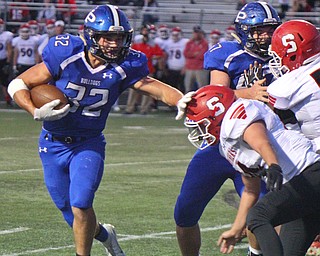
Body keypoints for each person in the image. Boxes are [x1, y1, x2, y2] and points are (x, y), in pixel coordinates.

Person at [7, 5, 183, 256]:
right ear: (91, 36)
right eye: (107, 37)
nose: (113, 44)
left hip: (88, 143)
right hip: (52, 143)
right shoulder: (67, 53)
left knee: (81, 203)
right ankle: (105, 234)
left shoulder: (127, 64)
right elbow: (19, 83)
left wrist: (182, 100)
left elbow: (158, 88)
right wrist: (34, 111)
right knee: (70, 212)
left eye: (119, 37)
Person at [174, 2, 281, 256]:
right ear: (244, 31)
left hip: (257, 146)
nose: (265, 36)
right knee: (184, 212)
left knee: (261, 215)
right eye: (259, 31)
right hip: (219, 146)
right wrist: (249, 93)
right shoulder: (228, 53)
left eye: (269, 30)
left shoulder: (281, 58)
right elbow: (214, 95)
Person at [184, 84, 320, 256]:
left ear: (215, 115)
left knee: (259, 216)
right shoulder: (227, 146)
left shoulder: (237, 115)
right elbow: (250, 190)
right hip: (302, 190)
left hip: (309, 174)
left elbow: (261, 141)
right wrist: (236, 228)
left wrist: (273, 165)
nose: (200, 131)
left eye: (201, 124)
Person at [125, 24, 164, 115]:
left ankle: (144, 109)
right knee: (133, 90)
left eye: (146, 30)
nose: (145, 32)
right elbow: (130, 53)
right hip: (136, 69)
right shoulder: (137, 42)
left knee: (147, 90)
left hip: (148, 69)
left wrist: (151, 57)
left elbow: (159, 54)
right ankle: (130, 108)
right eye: (144, 30)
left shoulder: (153, 43)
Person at [183, 25, 209, 93]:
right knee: (188, 88)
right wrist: (195, 54)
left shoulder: (204, 43)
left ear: (201, 33)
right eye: (195, 32)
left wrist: (192, 54)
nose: (196, 34)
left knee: (202, 88)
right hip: (190, 68)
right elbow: (185, 54)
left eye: (198, 32)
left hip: (200, 68)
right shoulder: (189, 43)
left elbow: (202, 55)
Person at [163, 26, 188, 93]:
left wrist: (185, 67)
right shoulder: (168, 43)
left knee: (182, 87)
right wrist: (164, 68)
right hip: (171, 69)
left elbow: (188, 56)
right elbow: (165, 55)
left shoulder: (185, 42)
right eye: (173, 35)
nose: (175, 36)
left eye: (177, 35)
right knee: (172, 87)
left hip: (181, 69)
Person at [0, 18, 14, 106]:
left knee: (4, 81)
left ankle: (7, 99)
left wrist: (8, 62)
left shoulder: (7, 35)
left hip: (3, 60)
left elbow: (9, 49)